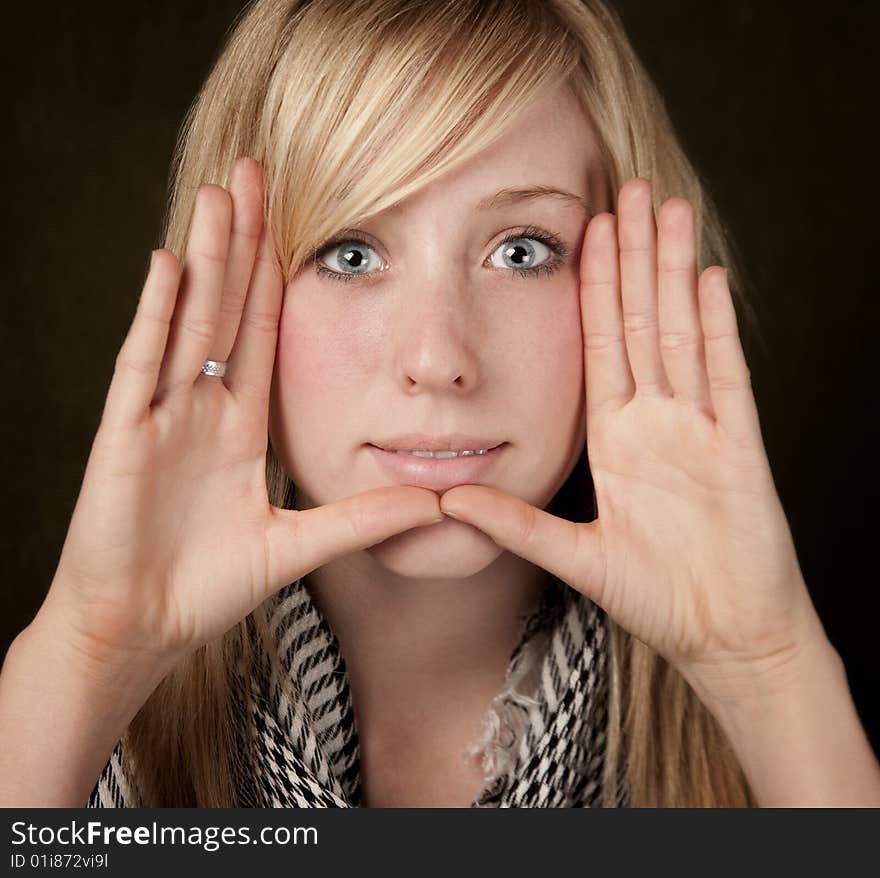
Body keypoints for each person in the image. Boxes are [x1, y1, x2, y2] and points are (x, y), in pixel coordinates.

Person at [2, 0, 879, 809]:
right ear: (232, 292)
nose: (438, 359)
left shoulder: (773, 726)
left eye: (522, 250)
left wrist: (766, 673)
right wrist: (89, 658)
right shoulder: (93, 721)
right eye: (350, 253)